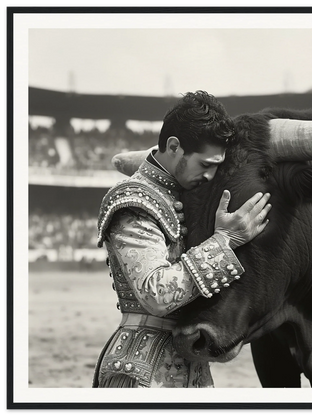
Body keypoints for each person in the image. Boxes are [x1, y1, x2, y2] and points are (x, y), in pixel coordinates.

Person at [92, 91, 272, 388]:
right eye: (205, 165)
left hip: (192, 369)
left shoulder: (184, 195)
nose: (211, 176)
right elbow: (156, 294)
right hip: (142, 371)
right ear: (174, 147)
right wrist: (225, 240)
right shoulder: (135, 200)